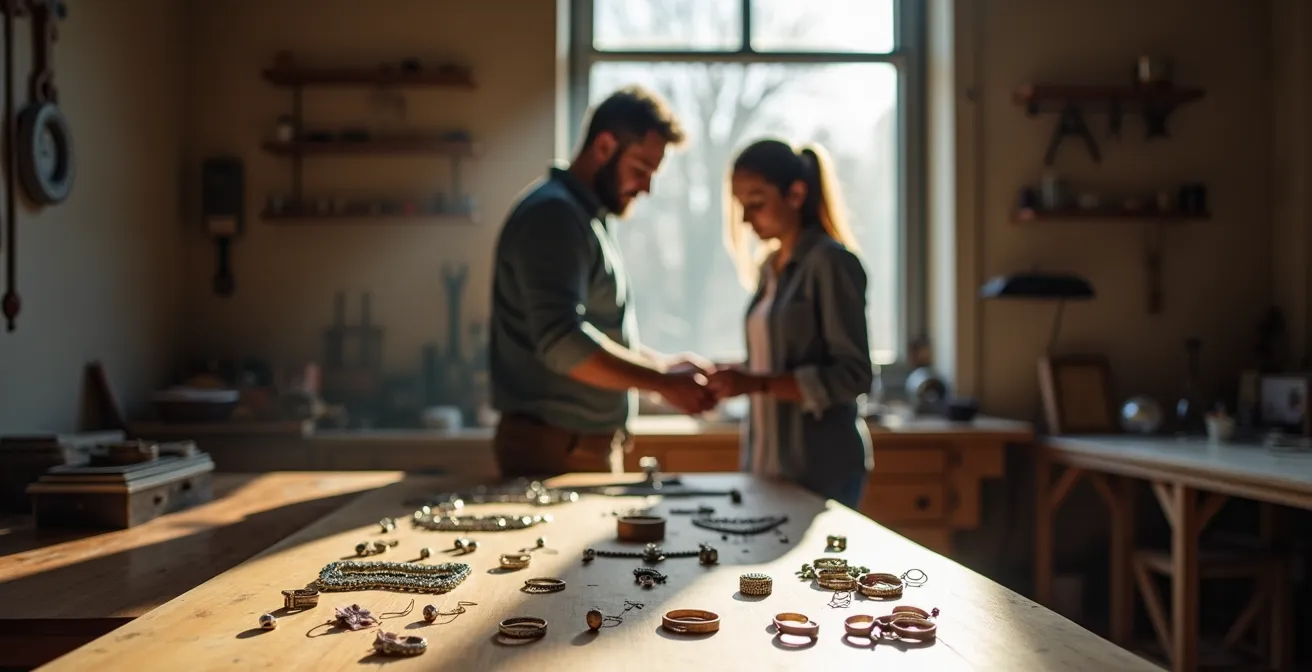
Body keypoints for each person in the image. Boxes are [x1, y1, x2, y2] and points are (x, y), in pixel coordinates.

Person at [488, 86, 717, 479]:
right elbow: (563, 342)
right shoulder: (555, 217)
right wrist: (662, 383)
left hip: (571, 447)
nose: (646, 188)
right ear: (604, 146)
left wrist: (661, 366)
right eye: (641, 169)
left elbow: (593, 333)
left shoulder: (582, 218)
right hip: (556, 451)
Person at [705, 138, 875, 509]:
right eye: (741, 206)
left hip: (820, 470)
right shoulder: (770, 270)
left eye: (756, 203)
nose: (747, 219)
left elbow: (855, 375)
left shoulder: (831, 263)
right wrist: (735, 376)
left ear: (796, 194)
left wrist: (756, 383)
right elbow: (776, 364)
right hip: (767, 463)